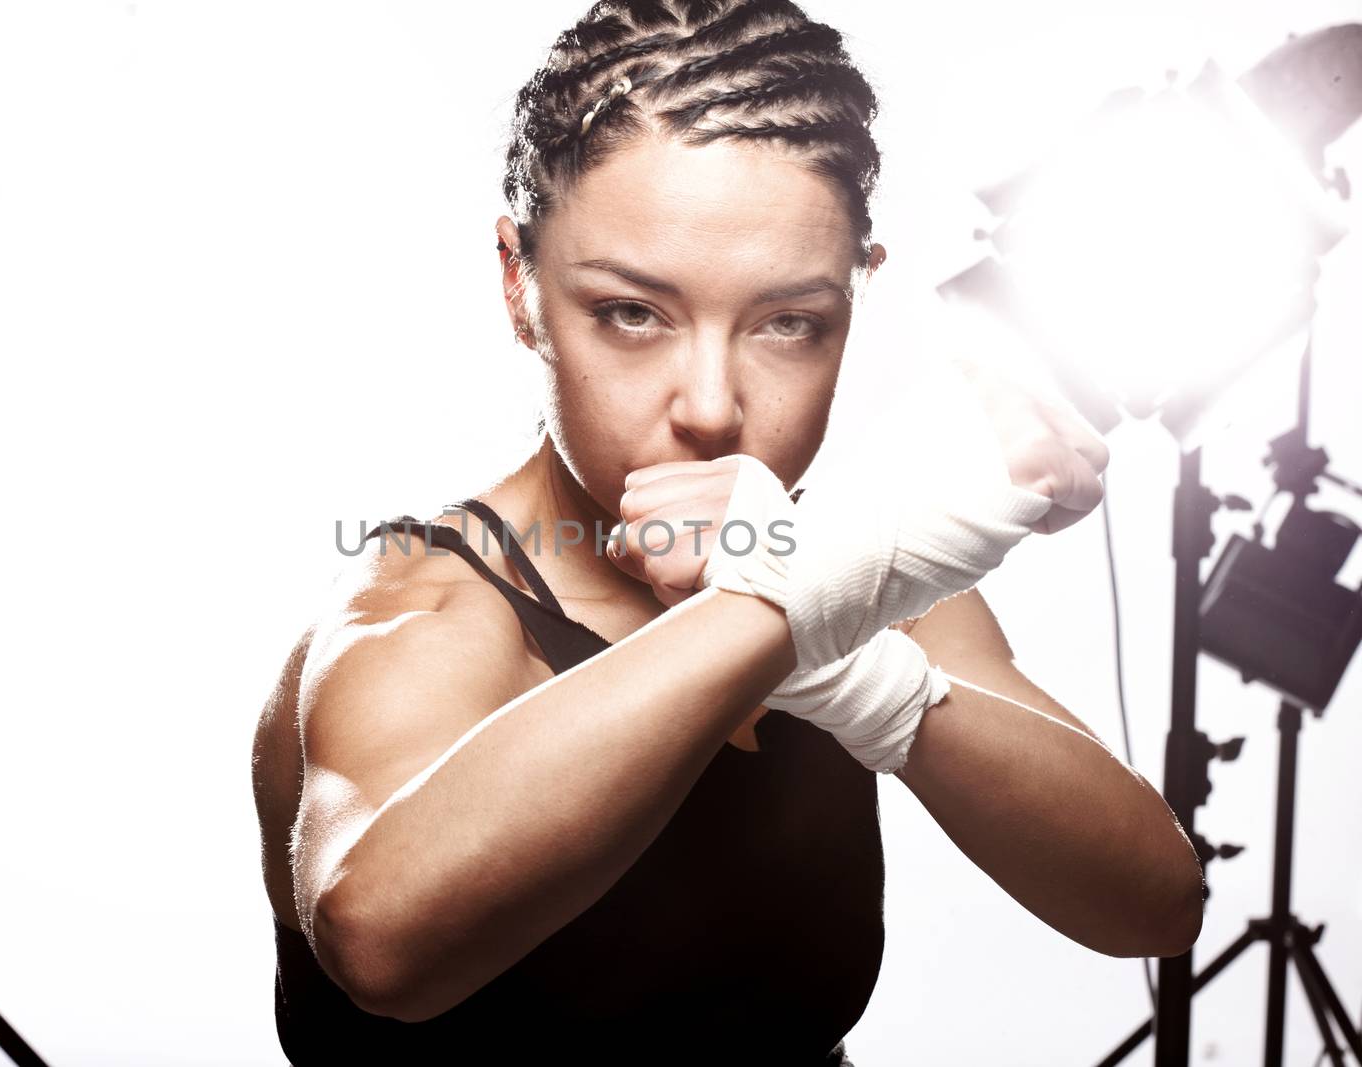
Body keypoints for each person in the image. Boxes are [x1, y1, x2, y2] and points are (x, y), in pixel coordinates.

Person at [250, 1, 1204, 1060]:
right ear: (519, 283)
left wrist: (852, 670)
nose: (709, 405)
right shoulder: (431, 611)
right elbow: (379, 941)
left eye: (789, 321)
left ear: (856, 291)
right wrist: (777, 606)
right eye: (632, 312)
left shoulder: (856, 567)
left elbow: (1153, 904)